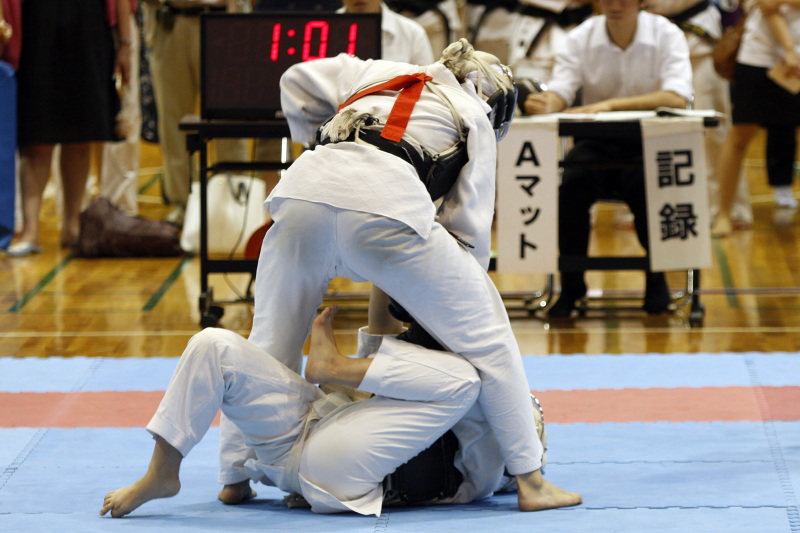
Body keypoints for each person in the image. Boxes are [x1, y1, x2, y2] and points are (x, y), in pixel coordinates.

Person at [213, 39, 580, 511]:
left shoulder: (373, 70)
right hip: (386, 207)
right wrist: (453, 284)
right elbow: (468, 227)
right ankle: (532, 482)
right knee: (490, 339)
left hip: (303, 190)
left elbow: (294, 80)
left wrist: (315, 145)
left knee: (269, 340)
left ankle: (232, 477)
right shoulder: (472, 112)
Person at [100, 307, 575, 518]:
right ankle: (162, 473)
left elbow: (479, 393)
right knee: (213, 345)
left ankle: (336, 367)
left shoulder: (489, 466)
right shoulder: (432, 383)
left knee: (466, 381)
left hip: (336, 467)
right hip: (307, 430)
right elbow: (383, 334)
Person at [523, 0, 694, 318]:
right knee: (570, 189)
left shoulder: (666, 34)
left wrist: (610, 105)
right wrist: (548, 103)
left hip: (649, 141)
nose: (616, 5)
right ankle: (572, 285)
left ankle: (656, 281)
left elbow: (677, 96)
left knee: (649, 190)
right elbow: (564, 88)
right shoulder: (581, 36)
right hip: (595, 142)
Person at [8, 0, 131, 257]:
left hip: (88, 24)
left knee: (81, 135)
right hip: (37, 25)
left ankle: (72, 225)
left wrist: (125, 43)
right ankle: (31, 230)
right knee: (36, 137)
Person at [647, 0, 755, 230]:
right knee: (650, 128)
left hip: (701, 40)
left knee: (714, 130)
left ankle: (730, 207)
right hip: (650, 36)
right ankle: (641, 207)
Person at [140, 0, 249, 226]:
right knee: (173, 123)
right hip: (170, 21)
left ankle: (233, 206)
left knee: (228, 121)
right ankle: (182, 205)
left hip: (223, 21)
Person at [712, 0, 800, 237]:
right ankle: (723, 213)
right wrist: (789, 48)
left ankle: (782, 187)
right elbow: (767, 4)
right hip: (759, 57)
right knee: (740, 135)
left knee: (787, 132)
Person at [101, 0, 142, 216]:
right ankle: (72, 215)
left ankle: (120, 209)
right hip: (76, 21)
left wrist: (125, 43)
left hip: (118, 26)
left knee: (123, 118)